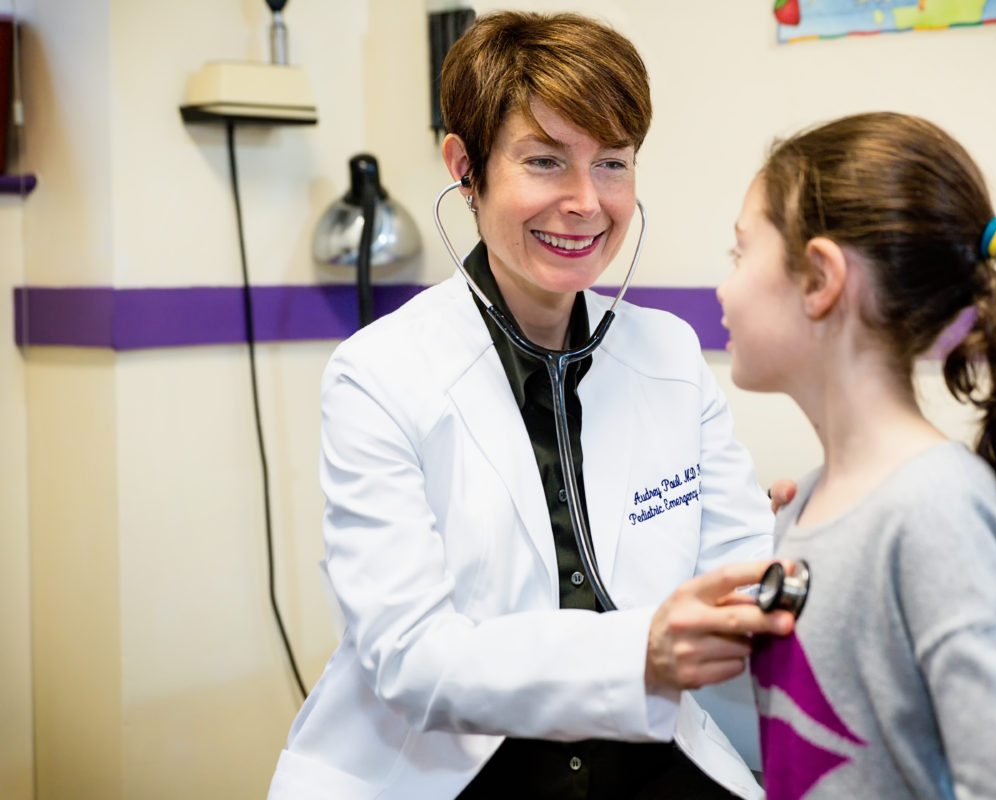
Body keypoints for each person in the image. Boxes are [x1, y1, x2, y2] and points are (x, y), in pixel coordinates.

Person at [267, 12, 792, 800]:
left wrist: (799, 542)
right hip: (454, 768)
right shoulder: (378, 374)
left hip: (648, 753)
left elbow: (736, 580)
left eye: (612, 163)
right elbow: (411, 656)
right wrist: (638, 653)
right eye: (545, 161)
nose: (585, 202)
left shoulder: (670, 355)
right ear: (465, 168)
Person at [717, 111, 996, 799]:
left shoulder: (935, 510)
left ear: (819, 278)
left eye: (740, 254)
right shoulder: (806, 501)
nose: (725, 287)